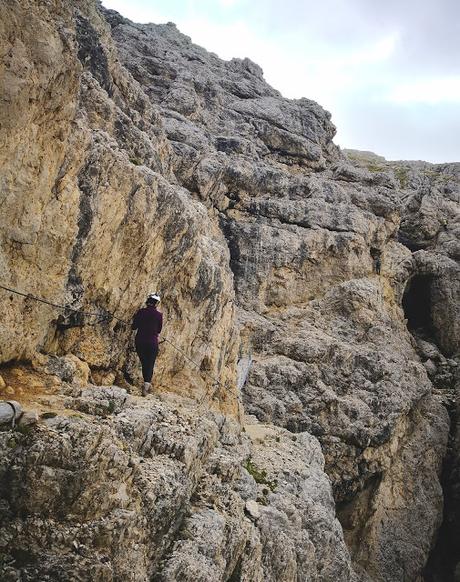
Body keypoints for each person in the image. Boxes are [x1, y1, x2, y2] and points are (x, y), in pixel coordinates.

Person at [131, 293, 163, 396]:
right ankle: (146, 387)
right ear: (156, 304)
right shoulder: (159, 315)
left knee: (144, 362)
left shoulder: (141, 312)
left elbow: (134, 327)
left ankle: (146, 385)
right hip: (152, 343)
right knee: (150, 364)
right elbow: (158, 330)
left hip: (140, 342)